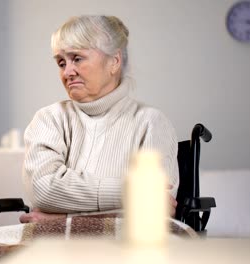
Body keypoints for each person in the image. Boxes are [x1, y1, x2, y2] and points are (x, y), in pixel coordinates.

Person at [19, 15, 178, 223]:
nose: (67, 72)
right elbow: (43, 189)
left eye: (77, 58)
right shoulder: (48, 119)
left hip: (126, 253)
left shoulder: (151, 123)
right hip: (56, 252)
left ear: (114, 62)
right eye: (61, 62)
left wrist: (60, 220)